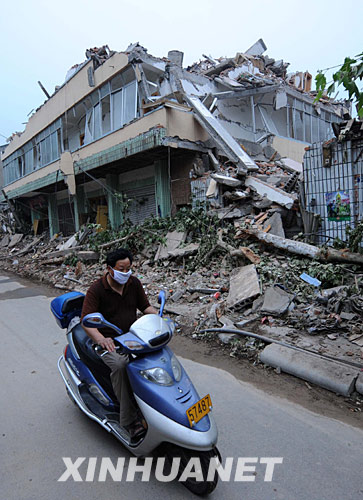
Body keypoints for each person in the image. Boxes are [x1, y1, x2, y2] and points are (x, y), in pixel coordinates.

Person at [81, 248, 157, 438]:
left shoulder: (134, 283)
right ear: (109, 269)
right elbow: (86, 321)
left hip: (132, 337)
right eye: (121, 269)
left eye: (128, 268)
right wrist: (101, 338)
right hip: (109, 343)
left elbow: (145, 306)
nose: (126, 273)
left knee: (157, 357)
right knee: (121, 365)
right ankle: (129, 421)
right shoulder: (97, 289)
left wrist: (159, 318)